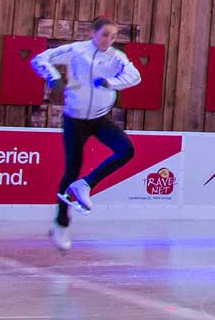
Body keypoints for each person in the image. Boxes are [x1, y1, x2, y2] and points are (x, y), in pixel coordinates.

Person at [30, 18, 141, 252]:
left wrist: (112, 82)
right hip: (75, 119)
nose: (108, 40)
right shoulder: (76, 50)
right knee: (71, 170)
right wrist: (53, 77)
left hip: (100, 119)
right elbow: (40, 59)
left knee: (126, 150)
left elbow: (135, 76)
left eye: (112, 37)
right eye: (104, 35)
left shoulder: (116, 57)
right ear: (92, 32)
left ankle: (87, 184)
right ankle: (61, 223)